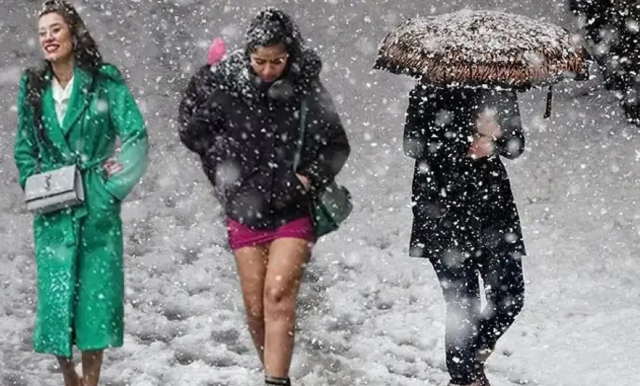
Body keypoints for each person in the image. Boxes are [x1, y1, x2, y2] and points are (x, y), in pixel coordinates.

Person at [180, 7, 349, 386]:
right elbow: (193, 133)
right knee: (255, 308)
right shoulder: (230, 89)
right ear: (248, 55)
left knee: (277, 295)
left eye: (277, 61)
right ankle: (274, 373)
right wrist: (204, 79)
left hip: (293, 209)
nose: (268, 70)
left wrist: (308, 178)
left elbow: (337, 145)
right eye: (260, 61)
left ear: (290, 55)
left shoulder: (307, 90)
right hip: (244, 209)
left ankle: (276, 379)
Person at [13, 1, 148, 385]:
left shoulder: (104, 80)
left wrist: (111, 187)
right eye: (42, 33)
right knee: (55, 301)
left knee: (95, 299)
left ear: (74, 33)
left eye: (56, 30)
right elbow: (24, 145)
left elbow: (136, 134)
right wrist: (33, 181)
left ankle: (90, 381)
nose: (48, 39)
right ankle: (68, 375)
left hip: (95, 205)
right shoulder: (33, 85)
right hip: (52, 204)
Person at [403, 84, 526, 386]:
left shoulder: (499, 86)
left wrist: (496, 137)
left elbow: (516, 145)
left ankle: (469, 359)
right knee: (463, 303)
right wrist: (466, 138)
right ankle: (464, 377)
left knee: (510, 296)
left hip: (493, 210)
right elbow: (413, 145)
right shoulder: (429, 88)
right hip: (442, 209)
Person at [178, 37, 227, 202]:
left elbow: (186, 111)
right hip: (218, 147)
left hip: (216, 147)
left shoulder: (200, 80)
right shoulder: (207, 81)